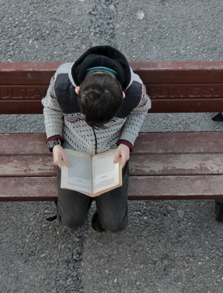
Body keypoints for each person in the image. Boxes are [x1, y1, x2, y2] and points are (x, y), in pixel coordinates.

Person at [43, 45, 151, 233]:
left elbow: (139, 112)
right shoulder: (61, 83)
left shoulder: (134, 90)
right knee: (71, 220)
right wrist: (55, 144)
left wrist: (126, 142)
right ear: (77, 91)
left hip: (111, 155)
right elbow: (52, 108)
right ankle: (71, 207)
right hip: (73, 153)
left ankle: (101, 215)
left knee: (115, 224)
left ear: (123, 97)